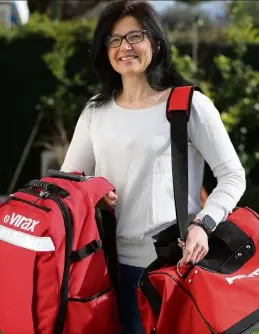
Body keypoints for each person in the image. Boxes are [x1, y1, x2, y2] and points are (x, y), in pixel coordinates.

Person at [61, 0, 246, 333]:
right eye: (113, 40)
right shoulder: (95, 110)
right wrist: (93, 192)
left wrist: (203, 224)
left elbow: (232, 175)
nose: (124, 47)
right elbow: (70, 181)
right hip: (100, 268)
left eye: (135, 36)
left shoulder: (187, 105)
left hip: (167, 269)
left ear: (156, 44)